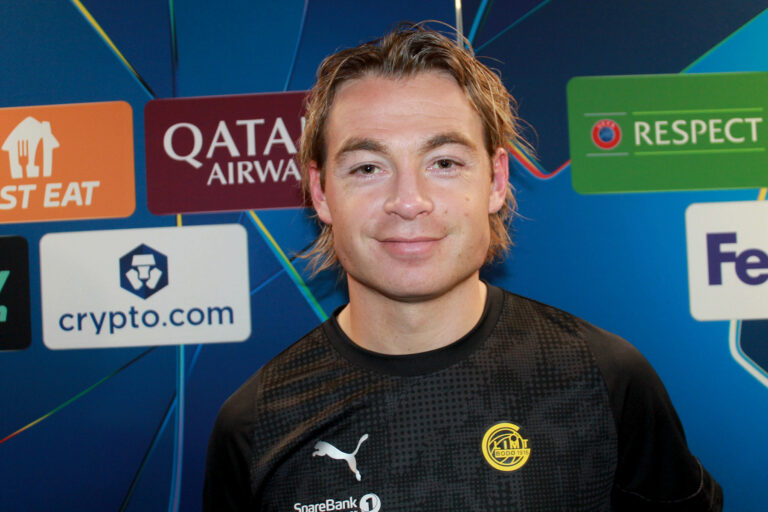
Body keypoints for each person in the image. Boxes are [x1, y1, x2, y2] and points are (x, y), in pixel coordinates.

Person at [204, 24, 722, 511]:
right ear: (320, 193)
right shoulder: (255, 425)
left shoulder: (605, 379)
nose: (409, 201)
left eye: (444, 163)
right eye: (368, 168)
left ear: (496, 180)